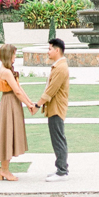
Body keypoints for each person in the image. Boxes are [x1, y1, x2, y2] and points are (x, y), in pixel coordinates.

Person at [0, 43, 36, 180]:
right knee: (8, 134)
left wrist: (29, 103)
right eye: (14, 54)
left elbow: (18, 88)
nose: (15, 57)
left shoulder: (7, 69)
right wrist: (28, 104)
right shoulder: (6, 71)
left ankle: (4, 169)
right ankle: (4, 170)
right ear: (8, 55)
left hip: (11, 103)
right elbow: (16, 90)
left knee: (9, 134)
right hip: (9, 103)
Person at [36, 37, 70, 180]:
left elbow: (51, 91)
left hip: (56, 108)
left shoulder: (61, 68)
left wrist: (37, 105)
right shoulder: (58, 66)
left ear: (57, 50)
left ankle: (62, 171)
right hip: (54, 107)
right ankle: (61, 168)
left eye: (50, 49)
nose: (48, 52)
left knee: (58, 139)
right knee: (57, 138)